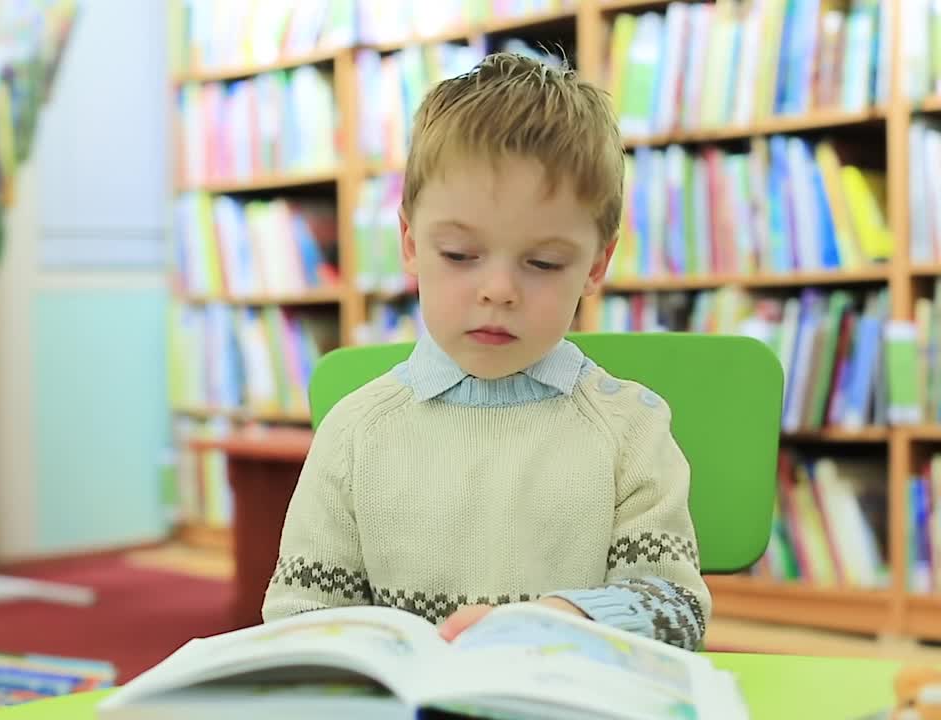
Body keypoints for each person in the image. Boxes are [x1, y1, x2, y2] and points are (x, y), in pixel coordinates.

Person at [260, 51, 709, 650]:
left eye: (543, 263)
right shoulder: (355, 434)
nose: (498, 290)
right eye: (460, 255)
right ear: (411, 244)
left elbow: (677, 607)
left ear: (597, 264)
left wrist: (571, 619)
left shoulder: (630, 430)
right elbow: (300, 616)